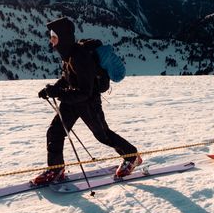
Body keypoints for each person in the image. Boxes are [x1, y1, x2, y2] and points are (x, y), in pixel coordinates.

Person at [32, 16, 141, 185]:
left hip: (88, 103)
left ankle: (132, 156)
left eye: (54, 37)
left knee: (103, 135)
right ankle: (56, 169)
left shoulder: (79, 57)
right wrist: (51, 89)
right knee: (55, 131)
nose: (51, 41)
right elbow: (68, 79)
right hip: (72, 100)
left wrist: (59, 93)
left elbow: (85, 91)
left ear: (63, 37)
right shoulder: (68, 55)